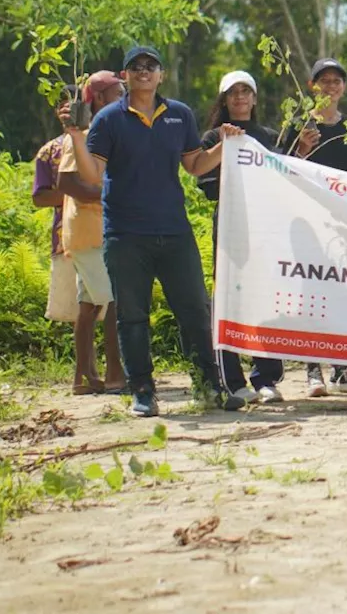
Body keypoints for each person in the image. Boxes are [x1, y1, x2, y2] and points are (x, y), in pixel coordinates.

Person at [65, 46, 246, 416]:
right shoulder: (108, 120)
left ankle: (209, 385)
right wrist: (76, 136)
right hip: (126, 234)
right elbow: (93, 176)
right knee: (132, 315)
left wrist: (224, 147)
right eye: (136, 67)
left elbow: (195, 165)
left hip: (175, 231)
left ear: (161, 74)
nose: (144, 72)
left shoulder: (179, 115)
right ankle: (143, 391)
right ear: (125, 75)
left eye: (151, 66)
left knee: (195, 310)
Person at [282, 57, 347, 396]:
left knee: (340, 293)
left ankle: (339, 369)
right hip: (305, 222)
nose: (330, 86)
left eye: (337, 81)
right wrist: (302, 149)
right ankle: (312, 372)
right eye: (324, 80)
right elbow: (282, 171)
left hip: (342, 225)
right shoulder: (297, 125)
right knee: (310, 294)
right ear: (312, 86)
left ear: (344, 87)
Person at [197, 71, 285, 405]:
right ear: (224, 100)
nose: (239, 97)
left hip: (265, 228)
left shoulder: (270, 136)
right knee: (229, 298)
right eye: (232, 92)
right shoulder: (212, 137)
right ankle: (232, 380)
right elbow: (206, 188)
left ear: (255, 98)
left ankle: (266, 376)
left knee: (264, 298)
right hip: (231, 227)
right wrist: (225, 147)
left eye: (245, 91)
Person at [56, 72, 124, 395]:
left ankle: (82, 379)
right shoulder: (83, 134)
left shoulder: (108, 130)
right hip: (88, 231)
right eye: (117, 92)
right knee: (113, 300)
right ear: (98, 98)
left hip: (97, 230)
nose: (123, 97)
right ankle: (115, 374)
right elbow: (66, 183)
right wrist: (108, 194)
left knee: (89, 305)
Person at [35, 89, 80, 329]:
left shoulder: (99, 142)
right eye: (64, 105)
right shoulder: (49, 151)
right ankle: (87, 363)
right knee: (76, 309)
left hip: (107, 232)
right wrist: (77, 193)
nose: (69, 109)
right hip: (67, 238)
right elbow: (39, 197)